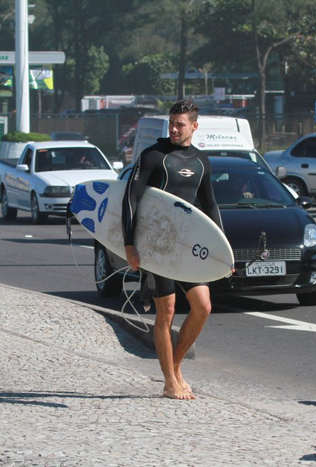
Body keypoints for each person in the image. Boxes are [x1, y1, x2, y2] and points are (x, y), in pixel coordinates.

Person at [122, 100, 225, 400]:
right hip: (157, 246)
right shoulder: (153, 156)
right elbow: (130, 199)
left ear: (194, 125)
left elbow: (210, 206)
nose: (174, 129)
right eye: (171, 123)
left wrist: (222, 249)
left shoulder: (202, 162)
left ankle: (175, 367)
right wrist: (130, 245)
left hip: (187, 247)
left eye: (180, 124)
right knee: (165, 311)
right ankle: (170, 382)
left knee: (203, 307)